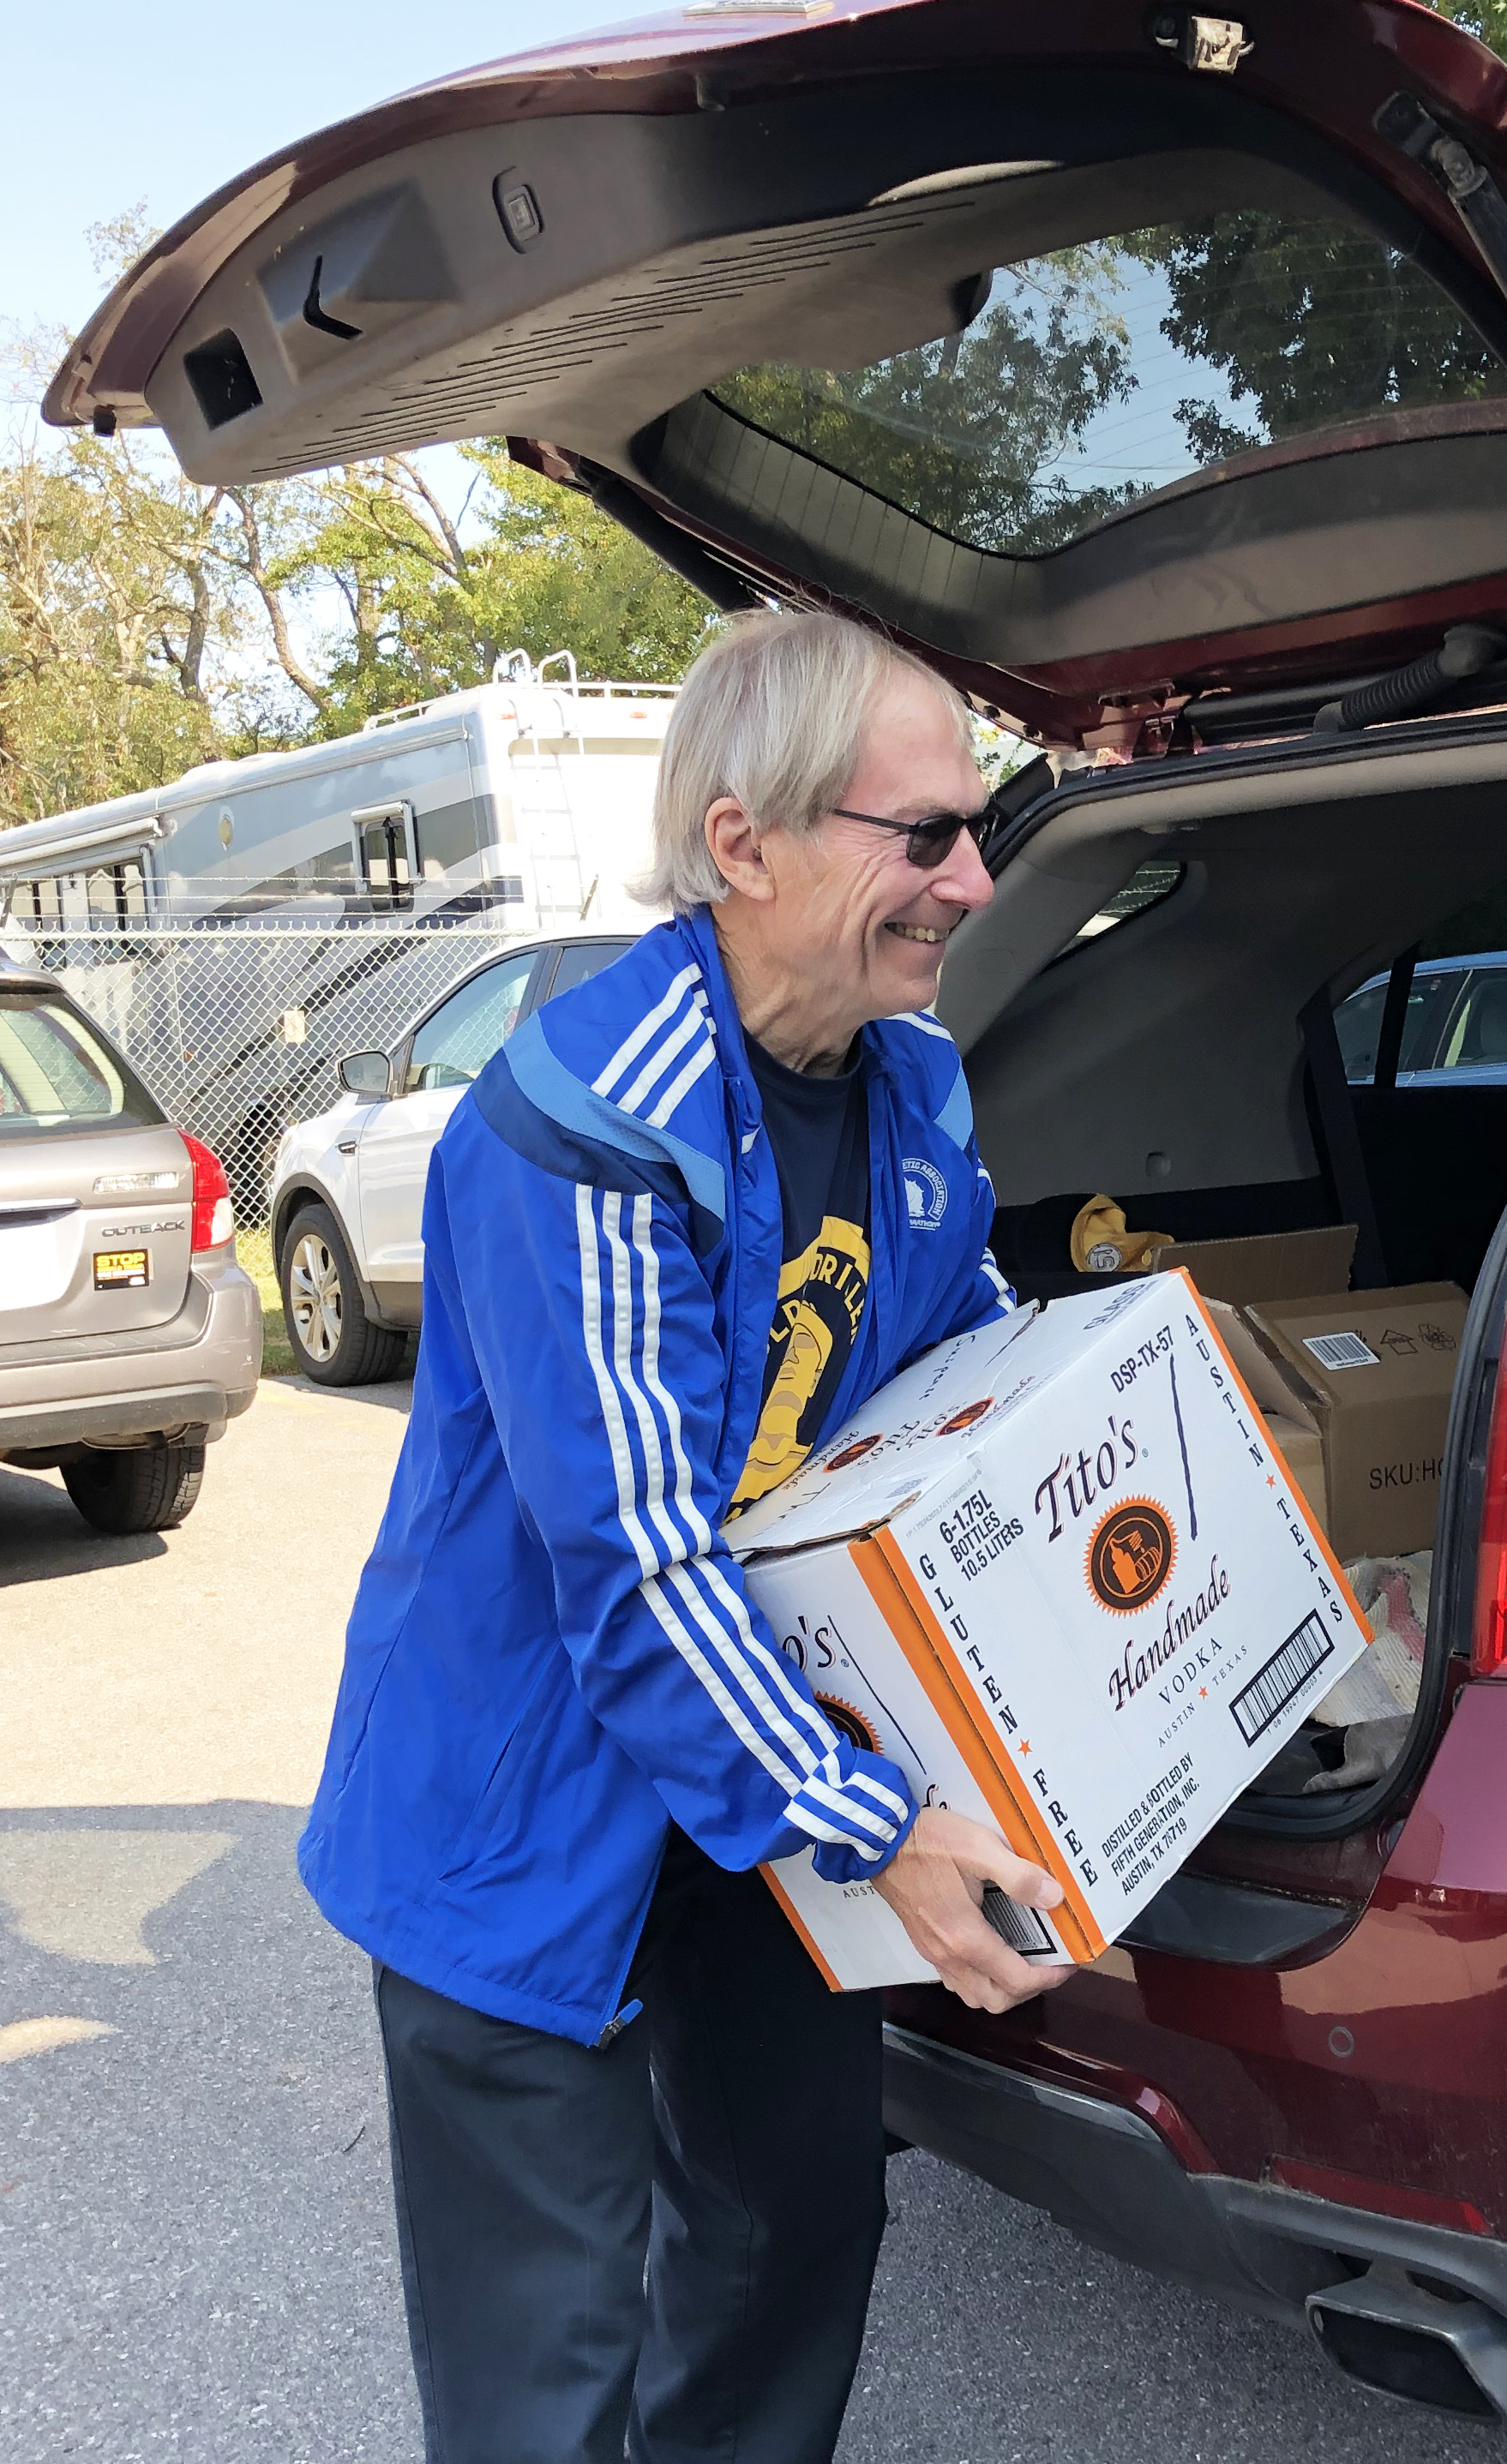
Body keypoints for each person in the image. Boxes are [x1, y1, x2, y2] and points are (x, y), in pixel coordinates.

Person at [297, 612, 1071, 2464]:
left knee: (792, 2234)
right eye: (928, 836)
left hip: (754, 1789)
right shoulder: (582, 1130)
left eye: (981, 828)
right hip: (523, 1812)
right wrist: (877, 1823)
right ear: (745, 846)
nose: (972, 880)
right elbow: (641, 1565)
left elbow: (961, 1378)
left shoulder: (914, 1092)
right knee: (549, 2362)